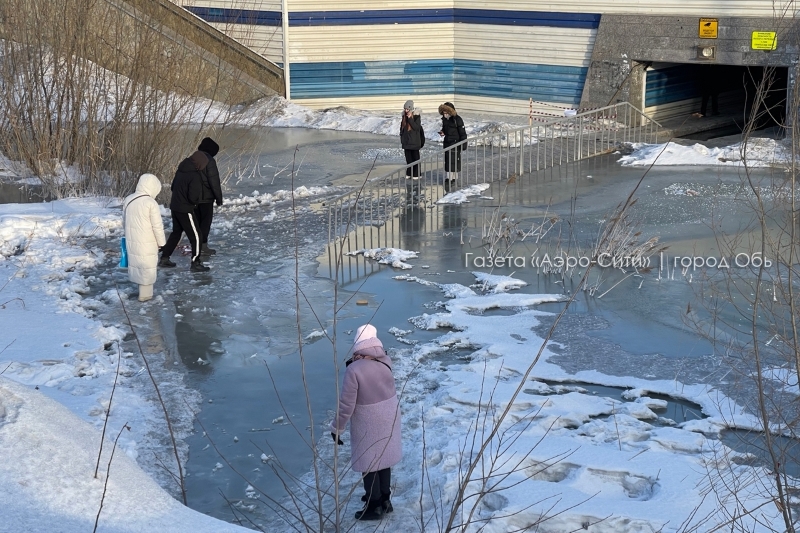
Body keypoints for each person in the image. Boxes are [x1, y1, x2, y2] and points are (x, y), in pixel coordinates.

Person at [331, 324, 402, 521]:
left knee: (369, 462)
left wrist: (337, 427)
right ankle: (385, 500)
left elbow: (347, 403)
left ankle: (373, 506)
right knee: (383, 458)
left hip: (368, 419)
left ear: (357, 343)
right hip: (389, 415)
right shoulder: (385, 361)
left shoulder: (354, 369)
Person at [159, 151, 209, 272]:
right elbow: (193, 196)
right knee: (196, 236)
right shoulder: (195, 176)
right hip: (185, 209)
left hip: (175, 206)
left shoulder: (181, 170)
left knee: (176, 233)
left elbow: (172, 187)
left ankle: (164, 258)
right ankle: (195, 262)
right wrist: (195, 202)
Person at [123, 173, 167, 302]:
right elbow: (157, 226)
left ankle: (142, 291)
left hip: (133, 239)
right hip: (148, 240)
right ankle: (145, 295)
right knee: (147, 266)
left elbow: (124, 221)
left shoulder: (129, 199)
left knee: (138, 264)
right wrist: (162, 242)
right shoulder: (150, 202)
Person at [194, 137, 223, 259]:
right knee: (205, 223)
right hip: (206, 198)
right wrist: (219, 198)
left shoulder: (193, 158)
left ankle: (196, 246)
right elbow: (214, 180)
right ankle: (203, 247)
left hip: (193, 197)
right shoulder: (209, 161)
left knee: (196, 223)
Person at [438, 102, 467, 191]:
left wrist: (463, 144)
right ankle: (450, 178)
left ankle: (452, 178)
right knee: (448, 161)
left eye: (446, 112)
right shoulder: (445, 120)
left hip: (455, 143)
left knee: (454, 161)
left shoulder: (457, 120)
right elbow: (446, 129)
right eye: (443, 112)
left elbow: (462, 133)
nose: (445, 114)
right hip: (447, 143)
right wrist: (443, 132)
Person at [400, 100, 423, 179]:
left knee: (415, 159)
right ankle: (409, 173)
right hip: (406, 142)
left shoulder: (416, 116)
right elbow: (402, 129)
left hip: (414, 142)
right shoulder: (404, 117)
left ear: (411, 109)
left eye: (407, 109)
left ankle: (417, 174)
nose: (406, 111)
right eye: (405, 109)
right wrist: (402, 139)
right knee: (408, 159)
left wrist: (410, 119)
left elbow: (416, 128)